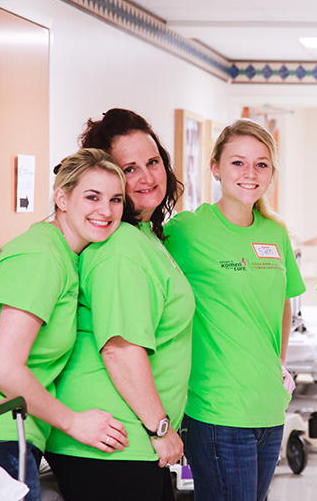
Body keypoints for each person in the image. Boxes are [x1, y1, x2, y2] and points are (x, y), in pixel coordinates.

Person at [45, 109, 194, 501]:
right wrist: (160, 427)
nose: (147, 177)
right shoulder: (120, 248)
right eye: (130, 169)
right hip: (115, 439)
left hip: (127, 438)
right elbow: (120, 348)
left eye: (153, 162)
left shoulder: (142, 236)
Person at [0, 149, 128, 500]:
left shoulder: (64, 255)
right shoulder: (43, 257)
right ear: (62, 199)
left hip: (6, 432)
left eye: (116, 199)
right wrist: (74, 422)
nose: (106, 210)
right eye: (92, 197)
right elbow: (3, 369)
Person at [164, 118, 305, 501]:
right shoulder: (186, 231)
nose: (250, 173)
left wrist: (279, 362)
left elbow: (283, 302)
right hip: (216, 409)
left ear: (272, 173)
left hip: (269, 408)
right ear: (216, 168)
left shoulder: (275, 233)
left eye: (261, 164)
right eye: (238, 162)